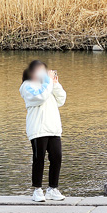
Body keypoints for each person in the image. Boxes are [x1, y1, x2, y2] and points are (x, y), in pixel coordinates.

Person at [19, 60, 67, 203]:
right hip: (38, 129)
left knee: (56, 157)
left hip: (53, 128)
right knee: (38, 159)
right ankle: (37, 189)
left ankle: (53, 188)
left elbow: (62, 99)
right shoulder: (27, 86)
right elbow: (40, 97)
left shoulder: (48, 85)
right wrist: (49, 82)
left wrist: (55, 83)